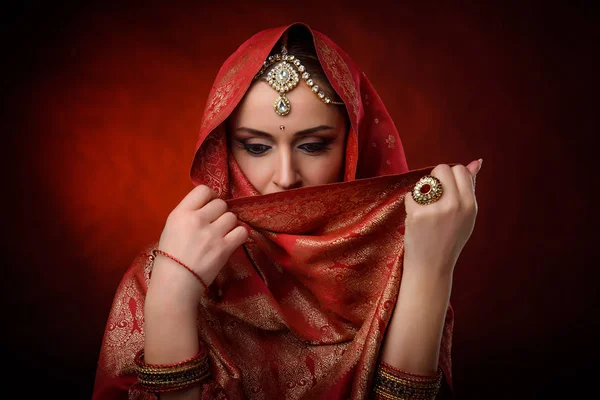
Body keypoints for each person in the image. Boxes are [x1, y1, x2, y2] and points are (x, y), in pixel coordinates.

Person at [92, 23, 481, 400]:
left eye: (312, 146)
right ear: (224, 149)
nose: (284, 177)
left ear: (353, 146)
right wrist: (172, 296)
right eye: (256, 147)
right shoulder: (159, 274)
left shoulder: (402, 266)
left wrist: (429, 272)